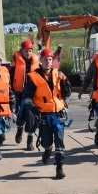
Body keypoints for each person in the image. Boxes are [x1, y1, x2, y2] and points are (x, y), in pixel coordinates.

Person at [21, 48, 72, 179]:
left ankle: (59, 167)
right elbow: (26, 97)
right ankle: (48, 149)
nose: (48, 62)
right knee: (46, 142)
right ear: (40, 61)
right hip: (43, 115)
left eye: (50, 60)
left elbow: (68, 92)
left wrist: (65, 84)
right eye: (45, 60)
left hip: (58, 114)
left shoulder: (59, 74)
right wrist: (32, 107)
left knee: (59, 140)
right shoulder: (33, 77)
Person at [11, 39, 40, 150]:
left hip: (32, 95)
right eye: (26, 51)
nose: (28, 53)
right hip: (20, 94)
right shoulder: (15, 63)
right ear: (21, 51)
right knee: (20, 117)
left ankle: (30, 141)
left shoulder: (36, 63)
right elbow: (10, 79)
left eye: (30, 51)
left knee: (31, 116)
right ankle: (19, 129)